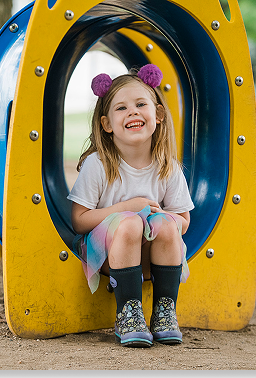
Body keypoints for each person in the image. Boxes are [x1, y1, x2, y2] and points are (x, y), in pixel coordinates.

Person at [67, 64, 195, 348]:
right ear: (107, 124)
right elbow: (79, 220)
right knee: (130, 222)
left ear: (158, 115)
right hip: (107, 258)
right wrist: (129, 208)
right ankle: (128, 312)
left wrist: (163, 217)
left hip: (150, 260)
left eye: (140, 104)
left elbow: (184, 221)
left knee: (166, 224)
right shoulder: (98, 165)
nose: (133, 112)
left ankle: (164, 311)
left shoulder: (168, 168)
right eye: (121, 108)